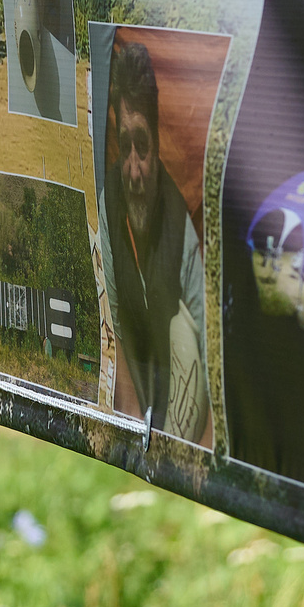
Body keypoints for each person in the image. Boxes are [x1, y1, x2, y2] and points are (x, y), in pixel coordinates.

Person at [102, 37, 207, 440]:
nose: (133, 170)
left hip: (174, 409)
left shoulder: (180, 226)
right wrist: (129, 433)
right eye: (124, 146)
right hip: (133, 401)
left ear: (158, 144)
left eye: (142, 147)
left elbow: (204, 343)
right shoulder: (107, 202)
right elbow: (109, 323)